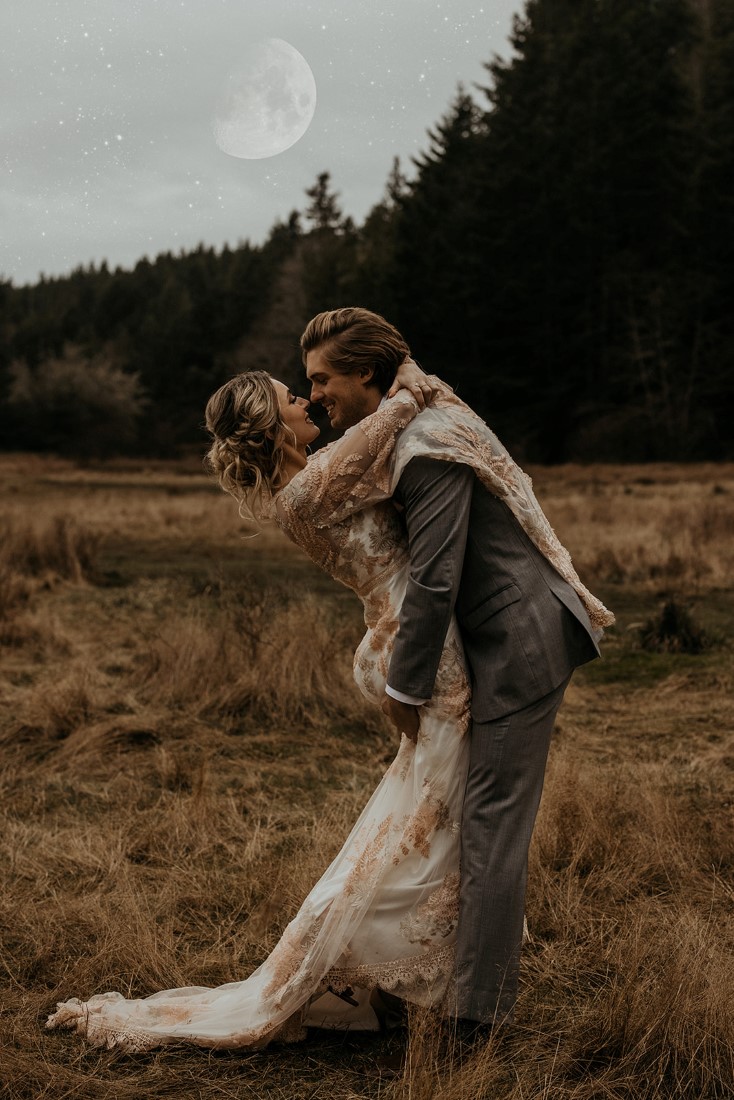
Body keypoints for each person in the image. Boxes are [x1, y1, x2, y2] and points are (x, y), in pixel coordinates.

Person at [46, 363, 474, 1051]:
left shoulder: (314, 474)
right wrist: (409, 383)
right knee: (439, 811)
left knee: (426, 807)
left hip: (402, 636)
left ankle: (355, 982)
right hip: (417, 648)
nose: (306, 399)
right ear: (272, 429)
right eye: (289, 396)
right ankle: (359, 967)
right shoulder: (304, 490)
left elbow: (379, 441)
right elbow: (392, 418)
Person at [300, 307, 613, 1031]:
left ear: (367, 375)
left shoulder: (426, 445)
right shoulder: (413, 424)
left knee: (490, 828)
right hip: (499, 634)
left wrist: (404, 688)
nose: (313, 394)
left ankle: (479, 1020)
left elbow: (437, 579)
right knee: (470, 821)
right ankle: (423, 985)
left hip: (517, 642)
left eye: (322, 379)